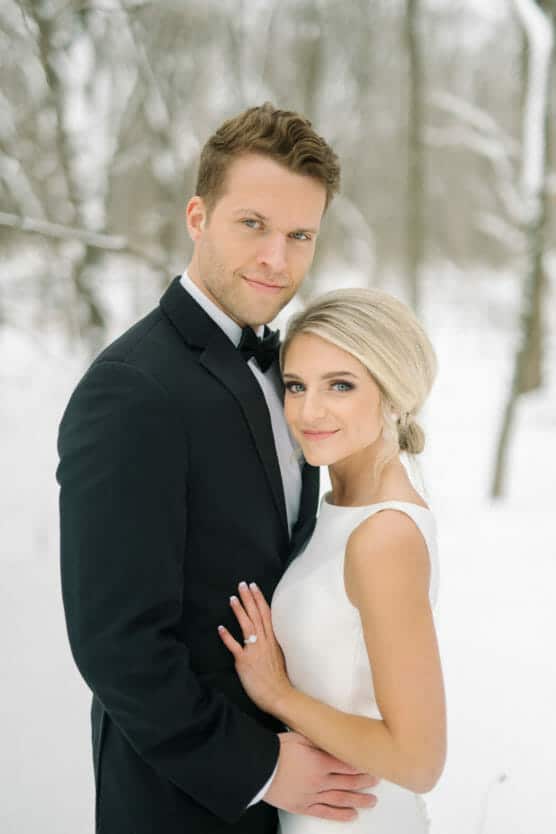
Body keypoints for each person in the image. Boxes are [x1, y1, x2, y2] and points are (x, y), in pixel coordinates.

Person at [56, 104, 378, 834]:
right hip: (184, 800)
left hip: (303, 789)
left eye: (301, 236)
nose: (277, 259)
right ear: (198, 216)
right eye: (253, 225)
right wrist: (260, 768)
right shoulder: (132, 389)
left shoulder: (294, 367)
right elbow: (119, 644)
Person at [218, 288, 447, 833]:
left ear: (394, 394)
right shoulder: (337, 507)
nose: (309, 410)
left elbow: (418, 760)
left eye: (340, 386)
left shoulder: (383, 535)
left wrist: (278, 694)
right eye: (295, 386)